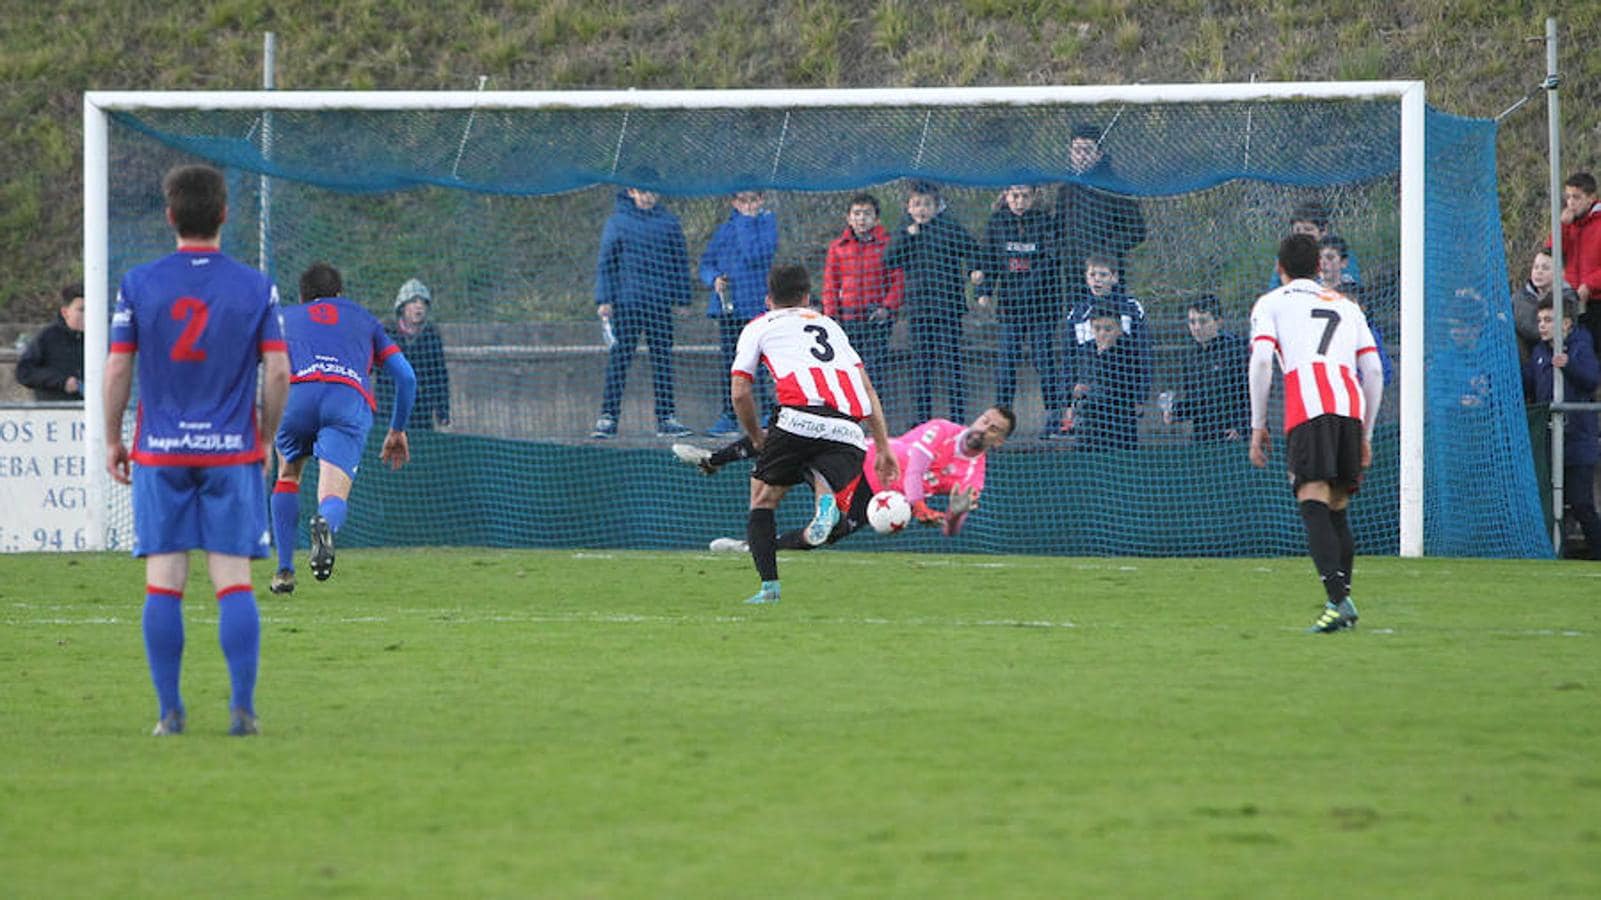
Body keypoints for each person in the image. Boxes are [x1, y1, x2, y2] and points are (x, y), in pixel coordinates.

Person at [103, 164, 290, 736]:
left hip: (160, 453)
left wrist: (113, 438)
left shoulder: (138, 284)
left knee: (165, 582)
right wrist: (263, 439)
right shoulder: (257, 287)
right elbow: (279, 371)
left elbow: (117, 365)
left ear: (169, 216)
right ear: (225, 215)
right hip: (231, 454)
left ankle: (170, 714)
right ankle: (242, 711)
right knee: (232, 581)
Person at [726, 263, 897, 605]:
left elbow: (740, 392)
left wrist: (757, 438)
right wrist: (883, 447)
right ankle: (824, 500)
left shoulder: (758, 326)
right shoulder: (831, 325)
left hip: (797, 419)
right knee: (819, 460)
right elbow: (868, 390)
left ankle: (769, 588)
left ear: (768, 298)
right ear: (807, 297)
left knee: (762, 499)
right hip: (849, 429)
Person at [1248, 233, 1384, 633]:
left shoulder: (1271, 303)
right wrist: (1367, 434)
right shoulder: (1346, 305)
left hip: (1309, 408)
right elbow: (1373, 372)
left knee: (1312, 499)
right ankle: (1339, 603)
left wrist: (1258, 424)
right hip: (1350, 407)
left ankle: (1339, 601)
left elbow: (1261, 362)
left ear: (1280, 268)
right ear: (1320, 267)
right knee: (1337, 506)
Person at [269, 263, 416, 595]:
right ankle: (326, 524)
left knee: (288, 474)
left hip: (297, 395)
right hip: (346, 398)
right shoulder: (364, 318)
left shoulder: (285, 317)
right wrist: (397, 430)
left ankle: (284, 570)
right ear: (340, 294)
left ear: (304, 297)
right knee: (333, 495)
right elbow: (406, 377)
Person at [682, 406, 1015, 550]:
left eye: (993, 429)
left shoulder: (974, 475)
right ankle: (713, 459)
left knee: (823, 536)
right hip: (862, 459)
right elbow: (914, 466)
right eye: (984, 420)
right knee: (795, 438)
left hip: (875, 500)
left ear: (998, 441)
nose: (983, 428)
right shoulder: (943, 429)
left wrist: (954, 514)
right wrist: (918, 506)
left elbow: (950, 530)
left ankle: (748, 548)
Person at [592, 170, 695, 439]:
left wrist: (682, 298)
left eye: (651, 192)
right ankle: (608, 417)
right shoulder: (618, 222)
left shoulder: (669, 222)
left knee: (662, 360)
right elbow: (607, 262)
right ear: (631, 192)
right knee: (619, 361)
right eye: (642, 191)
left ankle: (666, 417)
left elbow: (679, 262)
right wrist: (604, 299)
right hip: (627, 304)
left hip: (659, 303)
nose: (647, 197)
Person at [883, 180, 983, 427]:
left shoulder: (949, 227)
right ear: (908, 207)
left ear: (936, 205)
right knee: (921, 367)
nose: (921, 210)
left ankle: (958, 420)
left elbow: (973, 250)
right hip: (919, 310)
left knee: (952, 365)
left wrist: (974, 271)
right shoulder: (905, 229)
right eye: (916, 204)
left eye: (926, 204)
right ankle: (921, 421)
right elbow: (889, 259)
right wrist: (908, 236)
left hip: (948, 309)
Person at [975, 185, 1064, 437]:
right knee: (1006, 366)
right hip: (1011, 310)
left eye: (1025, 196)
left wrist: (1026, 289)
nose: (1019, 201)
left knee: (1044, 361)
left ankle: (1054, 418)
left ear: (1034, 196)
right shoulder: (997, 222)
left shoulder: (1045, 222)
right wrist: (984, 291)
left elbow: (1050, 262)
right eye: (1014, 196)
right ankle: (1001, 423)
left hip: (1042, 307)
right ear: (1005, 195)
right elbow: (989, 259)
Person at [1523, 292, 1601, 559]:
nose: (1542, 325)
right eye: (1540, 320)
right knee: (1549, 501)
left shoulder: (1580, 345)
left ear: (1566, 324)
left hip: (1577, 440)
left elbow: (1591, 379)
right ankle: (1555, 551)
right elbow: (1531, 386)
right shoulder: (1538, 353)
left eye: (1549, 320)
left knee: (1581, 503)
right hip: (1548, 440)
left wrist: (1569, 365)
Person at [699, 188, 778, 437]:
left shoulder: (767, 224)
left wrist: (746, 221)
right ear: (734, 201)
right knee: (731, 364)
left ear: (761, 200)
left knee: (763, 362)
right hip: (729, 310)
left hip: (757, 308)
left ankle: (767, 412)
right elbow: (706, 263)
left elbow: (756, 254)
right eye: (742, 201)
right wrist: (714, 279)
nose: (748, 205)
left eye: (752, 200)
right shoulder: (725, 230)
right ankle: (729, 414)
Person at [1056, 252, 1150, 439]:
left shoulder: (1131, 308)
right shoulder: (1078, 313)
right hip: (1088, 399)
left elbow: (1143, 354)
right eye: (1092, 275)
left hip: (1122, 396)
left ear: (1114, 278)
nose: (1097, 280)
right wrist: (1068, 397)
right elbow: (1069, 357)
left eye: (1103, 275)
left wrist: (1141, 396)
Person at [822, 192, 902, 386]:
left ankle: (875, 415)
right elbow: (831, 283)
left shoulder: (888, 244)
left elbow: (898, 280)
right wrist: (831, 316)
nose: (861, 219)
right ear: (848, 218)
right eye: (857, 214)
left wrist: (887, 308)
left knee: (874, 373)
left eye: (867, 214)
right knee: (849, 372)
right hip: (848, 321)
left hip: (876, 320)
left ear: (876, 218)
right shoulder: (838, 247)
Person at [1054, 123, 1146, 285]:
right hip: (1073, 275)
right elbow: (1059, 229)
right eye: (1077, 150)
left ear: (1099, 154)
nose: (1082, 156)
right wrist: (1061, 254)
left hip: (1106, 275)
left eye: (1087, 150)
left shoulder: (1115, 186)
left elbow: (1137, 231)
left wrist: (1106, 253)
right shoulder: (1066, 187)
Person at [1165, 294, 1250, 442]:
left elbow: (1252, 394)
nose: (1197, 327)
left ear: (1218, 322)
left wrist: (1242, 427)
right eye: (1192, 322)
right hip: (1203, 439)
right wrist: (1175, 413)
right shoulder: (1190, 357)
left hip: (1234, 439)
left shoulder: (1237, 349)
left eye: (1203, 321)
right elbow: (1196, 402)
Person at [1065, 305, 1149, 452]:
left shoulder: (1127, 353)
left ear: (1119, 329)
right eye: (1097, 329)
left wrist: (1088, 389)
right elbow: (1079, 381)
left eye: (1108, 329)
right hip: (1090, 423)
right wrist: (1073, 401)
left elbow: (1118, 388)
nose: (1102, 334)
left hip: (1118, 422)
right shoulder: (1086, 351)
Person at [377, 278, 450, 431]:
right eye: (413, 301)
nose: (419, 306)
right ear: (402, 307)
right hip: (388, 411)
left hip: (421, 412)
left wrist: (442, 411)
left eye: (423, 302)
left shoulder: (431, 337)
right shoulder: (386, 333)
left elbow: (440, 376)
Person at [1319, 234, 1392, 385]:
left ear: (1343, 262)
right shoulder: (1308, 295)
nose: (1323, 263)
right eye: (1319, 258)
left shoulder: (1354, 294)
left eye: (1330, 258)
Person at [1266, 200, 1360, 290]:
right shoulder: (1286, 255)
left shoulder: (1338, 252)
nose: (1302, 235)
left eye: (1308, 230)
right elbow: (1273, 288)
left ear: (1323, 231)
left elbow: (1353, 285)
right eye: (1297, 230)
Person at [15, 283, 85, 402]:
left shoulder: (104, 337)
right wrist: (62, 382)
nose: (88, 315)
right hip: (55, 413)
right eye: (81, 310)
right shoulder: (47, 337)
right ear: (65, 312)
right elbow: (24, 372)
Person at [1550, 172, 1601, 309]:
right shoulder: (1568, 224)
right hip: (1571, 297)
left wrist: (1590, 285)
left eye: (1576, 197)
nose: (1571, 202)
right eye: (1568, 197)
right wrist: (1562, 226)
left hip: (1596, 299)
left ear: (1591, 198)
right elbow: (1551, 252)